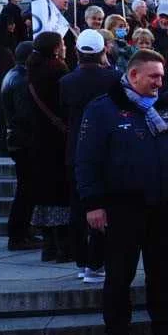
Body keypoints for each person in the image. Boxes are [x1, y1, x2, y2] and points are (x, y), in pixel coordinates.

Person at [76, 50, 168, 335]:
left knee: (161, 277)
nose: (160, 82)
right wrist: (93, 204)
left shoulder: (165, 107)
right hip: (121, 208)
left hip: (164, 207)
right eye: (153, 76)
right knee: (119, 278)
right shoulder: (103, 109)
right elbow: (87, 159)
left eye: (161, 76)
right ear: (133, 76)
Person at [59, 30, 119, 283]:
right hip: (108, 151)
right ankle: (97, 262)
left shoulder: (66, 81)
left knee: (78, 209)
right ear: (103, 51)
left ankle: (83, 262)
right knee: (105, 208)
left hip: (75, 150)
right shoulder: (114, 78)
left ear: (77, 53)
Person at [25, 32, 74, 264]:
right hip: (57, 139)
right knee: (59, 192)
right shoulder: (57, 69)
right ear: (56, 47)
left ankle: (49, 247)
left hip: (37, 139)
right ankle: (63, 247)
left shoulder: (31, 69)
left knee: (44, 193)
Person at [0, 41, 39, 250]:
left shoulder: (13, 74)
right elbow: (25, 115)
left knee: (26, 189)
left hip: (18, 140)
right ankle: (18, 234)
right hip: (24, 141)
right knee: (26, 190)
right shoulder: (23, 79)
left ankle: (22, 231)